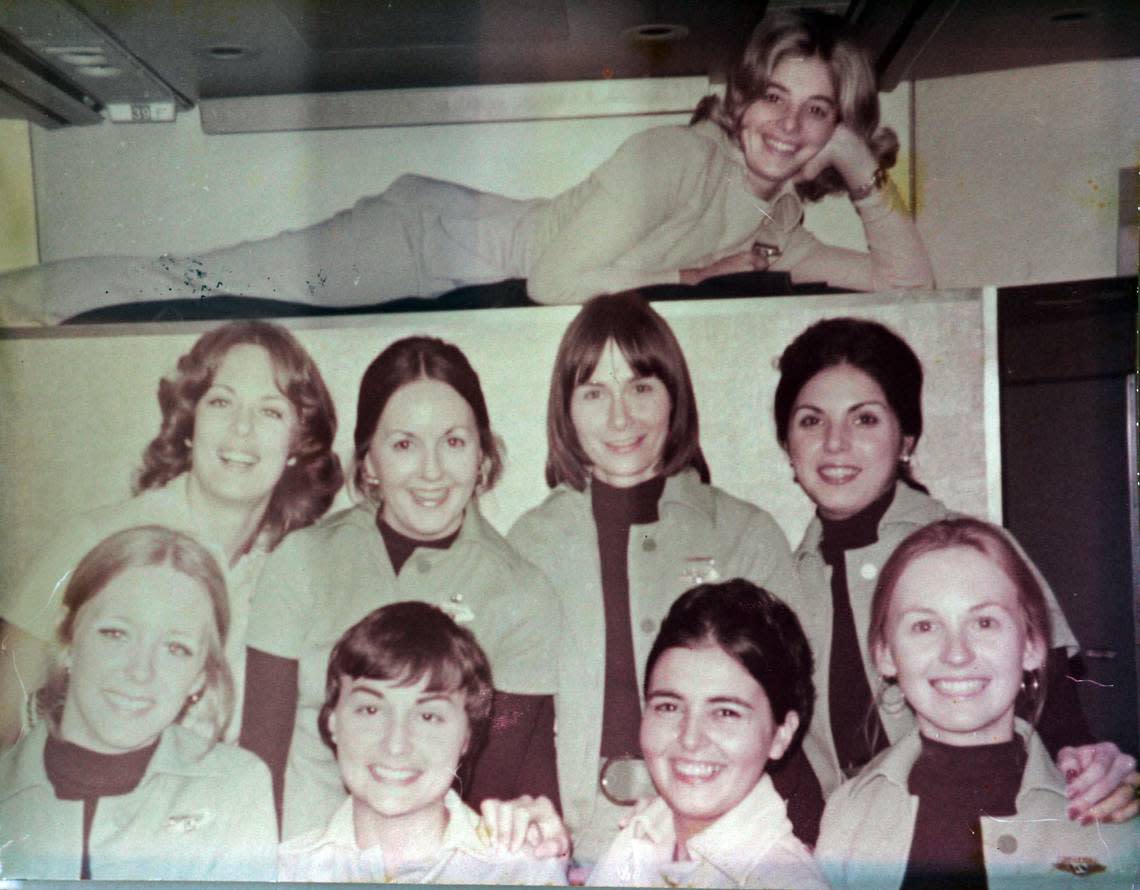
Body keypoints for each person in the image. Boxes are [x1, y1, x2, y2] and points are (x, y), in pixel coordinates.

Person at [0, 10, 932, 326]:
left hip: (443, 267)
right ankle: (16, 301)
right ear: (743, 95)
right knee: (204, 284)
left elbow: (910, 290)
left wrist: (862, 178)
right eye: (776, 97)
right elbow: (558, 279)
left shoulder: (779, 230)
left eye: (817, 112)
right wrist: (690, 277)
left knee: (212, 299)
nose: (789, 125)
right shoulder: (679, 158)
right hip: (414, 244)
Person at [773, 316, 1138, 816]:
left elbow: (1063, 729)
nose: (835, 443)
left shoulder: (980, 553)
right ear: (787, 445)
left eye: (865, 419)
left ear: (906, 440)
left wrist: (1102, 773)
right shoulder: (775, 581)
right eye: (811, 420)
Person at [508, 292, 819, 863]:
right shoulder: (529, 544)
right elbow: (512, 724)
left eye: (641, 388)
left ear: (674, 398)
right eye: (595, 393)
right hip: (569, 848)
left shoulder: (744, 533)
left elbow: (794, 717)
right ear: (566, 411)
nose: (620, 417)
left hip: (717, 848)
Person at [241, 335, 561, 841]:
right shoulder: (301, 561)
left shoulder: (524, 595)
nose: (431, 471)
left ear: (482, 454)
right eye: (404, 444)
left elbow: (490, 790)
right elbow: (256, 760)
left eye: (453, 442)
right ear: (369, 461)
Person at [0, 320, 342, 745]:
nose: (242, 429)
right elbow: (4, 717)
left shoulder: (296, 572)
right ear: (188, 425)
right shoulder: (92, 539)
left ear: (297, 445)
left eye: (270, 411)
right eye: (221, 402)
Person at [815, 519, 1139, 888]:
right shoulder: (848, 815)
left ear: (1032, 645)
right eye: (924, 626)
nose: (957, 654)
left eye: (984, 622)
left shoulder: (1110, 818)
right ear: (886, 655)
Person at [0, 526, 277, 881]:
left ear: (199, 676)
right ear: (67, 639)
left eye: (176, 648)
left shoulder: (235, 790)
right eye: (116, 633)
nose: (140, 672)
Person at [278, 601, 568, 884]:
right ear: (332, 723)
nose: (396, 745)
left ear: (467, 737)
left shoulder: (521, 872)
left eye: (428, 716)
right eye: (370, 710)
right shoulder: (281, 873)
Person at [588, 580, 827, 889]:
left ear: (781, 734)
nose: (690, 738)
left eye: (726, 712)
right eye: (669, 706)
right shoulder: (639, 837)